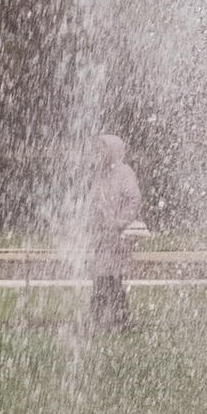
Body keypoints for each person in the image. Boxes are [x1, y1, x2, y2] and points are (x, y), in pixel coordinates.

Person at [86, 131, 144, 328]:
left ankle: (101, 318)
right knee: (107, 278)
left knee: (106, 277)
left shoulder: (124, 173)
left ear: (113, 150)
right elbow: (95, 202)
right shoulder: (101, 173)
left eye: (102, 149)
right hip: (102, 235)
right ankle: (119, 319)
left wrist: (119, 221)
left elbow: (134, 200)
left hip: (117, 236)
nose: (98, 153)